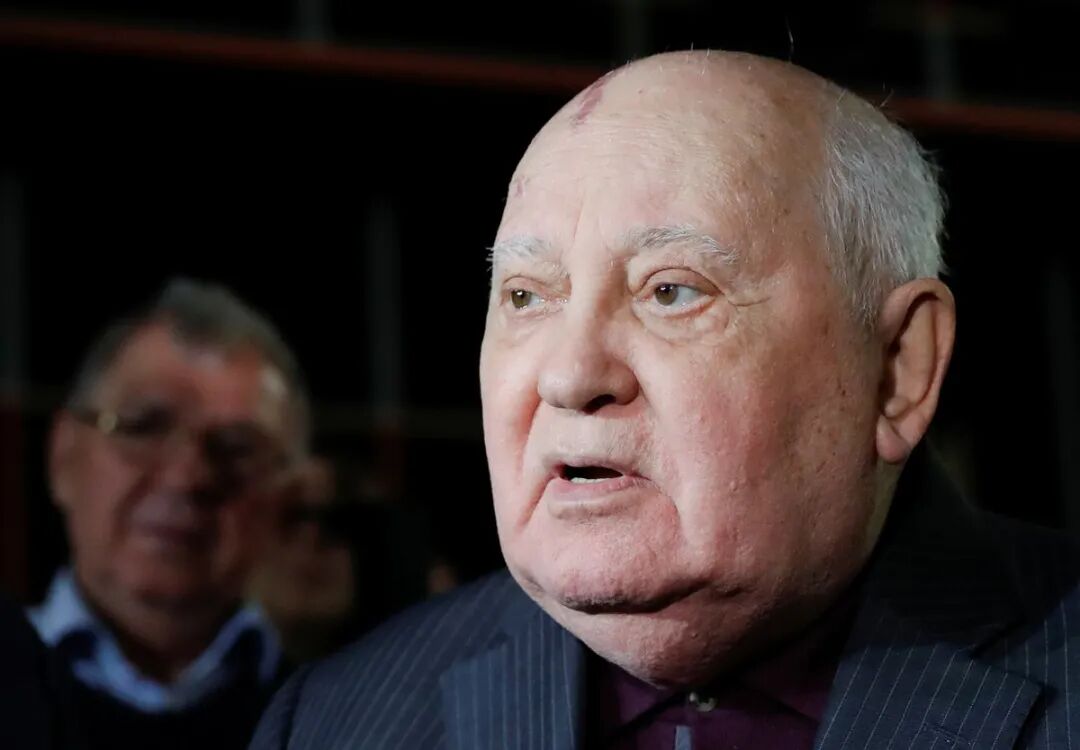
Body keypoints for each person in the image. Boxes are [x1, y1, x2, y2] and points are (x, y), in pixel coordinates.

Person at [252, 51, 1080, 749]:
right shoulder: (334, 720)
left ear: (898, 366)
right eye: (527, 296)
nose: (570, 377)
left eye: (671, 291)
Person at [31, 278, 310, 750]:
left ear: (287, 493)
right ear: (63, 455)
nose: (187, 476)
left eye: (237, 448)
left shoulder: (356, 711)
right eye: (144, 426)